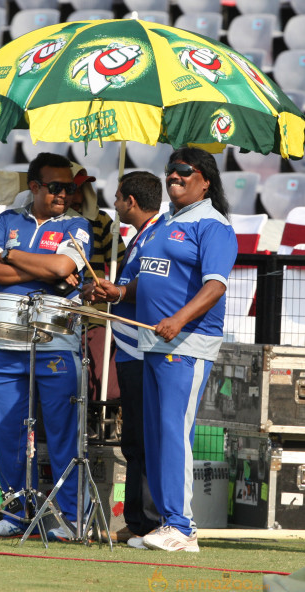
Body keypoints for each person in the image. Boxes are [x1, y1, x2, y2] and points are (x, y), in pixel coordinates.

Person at [85, 147, 238, 552]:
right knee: (155, 435)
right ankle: (168, 523)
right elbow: (145, 279)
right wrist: (116, 293)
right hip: (150, 344)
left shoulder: (213, 225)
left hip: (186, 344)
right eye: (170, 171)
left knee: (172, 433)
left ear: (204, 179)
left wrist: (180, 320)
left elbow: (215, 286)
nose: (174, 176)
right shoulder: (165, 222)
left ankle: (182, 527)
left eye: (184, 171)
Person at [0, 153, 93, 539]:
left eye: (70, 188)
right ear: (35, 187)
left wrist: (10, 255)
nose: (64, 194)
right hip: (6, 342)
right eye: (56, 187)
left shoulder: (77, 225)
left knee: (62, 434)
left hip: (57, 344)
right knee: (8, 432)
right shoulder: (7, 220)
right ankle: (15, 514)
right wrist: (40, 264)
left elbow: (63, 269)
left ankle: (71, 519)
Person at [105, 171, 162, 546]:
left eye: (117, 197)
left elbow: (154, 281)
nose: (114, 203)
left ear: (131, 201)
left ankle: (155, 521)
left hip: (146, 348)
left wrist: (120, 290)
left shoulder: (160, 235)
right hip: (129, 345)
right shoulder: (142, 235)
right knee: (134, 438)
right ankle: (137, 519)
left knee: (147, 435)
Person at [68, 162, 126, 406]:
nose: (78, 195)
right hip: (58, 313)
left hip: (96, 313)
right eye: (74, 188)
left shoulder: (102, 222)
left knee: (106, 385)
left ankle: (101, 424)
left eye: (82, 189)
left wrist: (106, 288)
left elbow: (121, 265)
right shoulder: (47, 223)